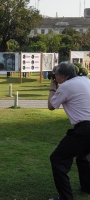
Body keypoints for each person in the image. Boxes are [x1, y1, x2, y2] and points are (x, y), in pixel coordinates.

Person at [48, 61, 90, 200]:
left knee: (57, 159)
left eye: (56, 75)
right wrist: (58, 71)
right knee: (83, 155)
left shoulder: (65, 86)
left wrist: (52, 88)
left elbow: (51, 106)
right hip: (86, 128)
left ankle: (65, 198)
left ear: (61, 77)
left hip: (84, 128)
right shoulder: (84, 79)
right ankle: (87, 186)